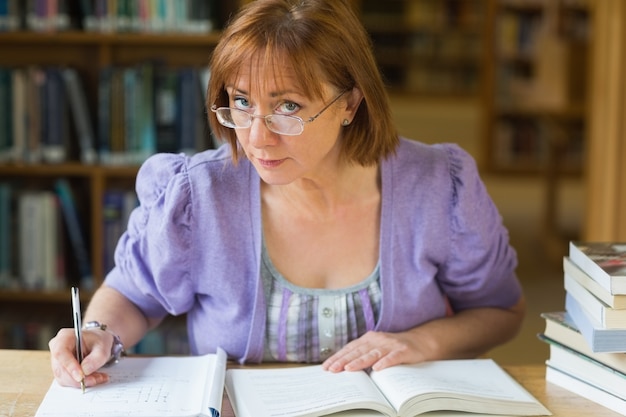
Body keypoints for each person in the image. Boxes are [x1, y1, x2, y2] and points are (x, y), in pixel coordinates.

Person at [49, 0, 525, 389]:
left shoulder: (440, 185)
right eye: (240, 102)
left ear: (350, 104)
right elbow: (133, 296)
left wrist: (425, 343)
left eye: (288, 107)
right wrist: (97, 333)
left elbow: (500, 312)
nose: (255, 138)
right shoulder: (199, 194)